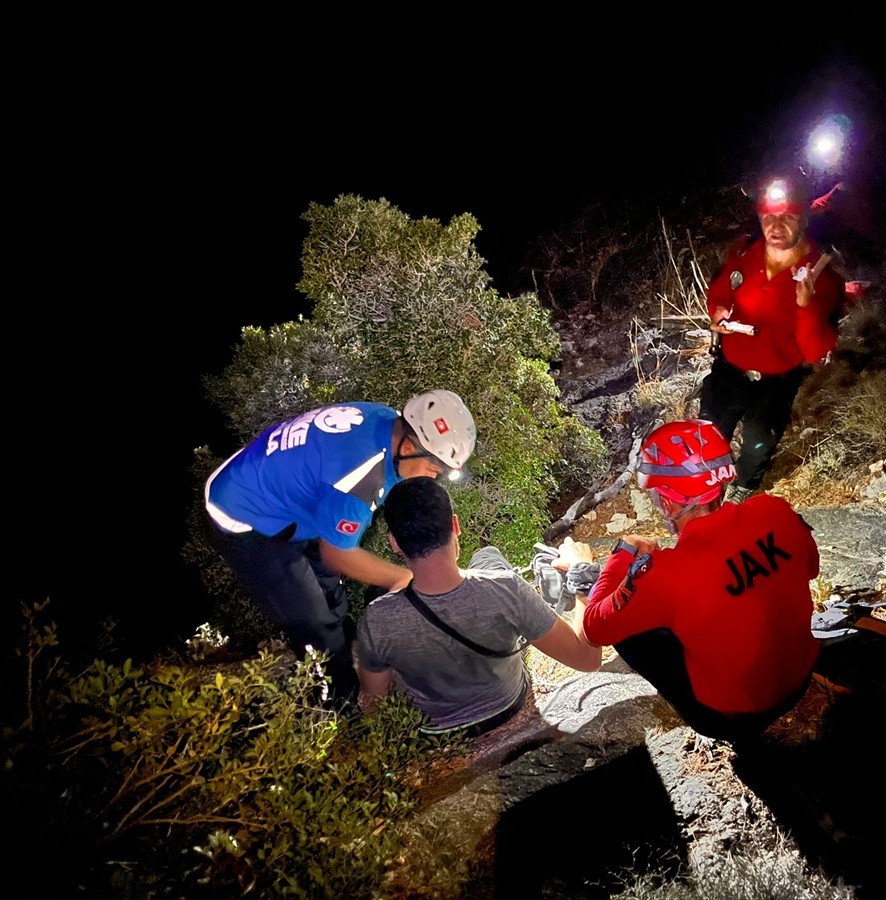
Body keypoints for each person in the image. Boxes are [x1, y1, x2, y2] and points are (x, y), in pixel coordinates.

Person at [204, 391, 477, 706]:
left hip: (280, 491)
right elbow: (336, 554)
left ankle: (344, 651)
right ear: (408, 447)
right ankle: (337, 704)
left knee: (332, 595)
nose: (435, 476)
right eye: (434, 467)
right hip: (244, 516)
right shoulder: (362, 475)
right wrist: (400, 577)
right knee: (315, 622)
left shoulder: (386, 421)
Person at [581, 419, 822, 743]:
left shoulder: (663, 575)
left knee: (627, 631)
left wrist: (624, 552)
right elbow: (810, 568)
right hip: (800, 676)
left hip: (733, 719)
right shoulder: (774, 511)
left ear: (668, 502)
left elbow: (594, 627)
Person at [355, 476, 601, 734]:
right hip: (508, 704)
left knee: (487, 557)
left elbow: (374, 704)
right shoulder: (507, 588)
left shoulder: (376, 618)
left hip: (438, 732)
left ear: (394, 542)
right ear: (455, 525)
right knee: (489, 557)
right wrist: (582, 575)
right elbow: (587, 660)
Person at [699, 173, 849, 504]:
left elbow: (816, 350)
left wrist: (806, 307)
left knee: (758, 443)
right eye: (768, 217)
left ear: (804, 219)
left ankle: (744, 486)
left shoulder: (823, 278)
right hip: (729, 369)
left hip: (776, 382)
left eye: (787, 217)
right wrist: (719, 310)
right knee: (709, 432)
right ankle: (707, 485)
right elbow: (721, 289)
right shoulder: (744, 251)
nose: (776, 226)